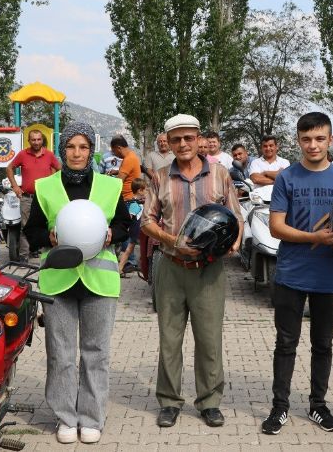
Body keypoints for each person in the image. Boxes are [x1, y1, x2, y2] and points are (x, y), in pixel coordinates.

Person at [23, 121, 132, 444]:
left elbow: (126, 223)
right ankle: (65, 417)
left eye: (83, 147)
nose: (77, 153)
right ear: (63, 149)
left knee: (96, 352)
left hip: (100, 281)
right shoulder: (45, 187)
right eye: (71, 146)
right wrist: (50, 236)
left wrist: (114, 233)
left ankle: (92, 417)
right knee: (61, 353)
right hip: (59, 281)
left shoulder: (110, 187)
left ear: (91, 151)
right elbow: (32, 232)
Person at [141, 114, 242, 429]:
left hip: (209, 271)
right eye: (176, 139)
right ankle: (169, 402)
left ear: (199, 139)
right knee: (169, 339)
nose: (183, 144)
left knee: (209, 339)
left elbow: (236, 216)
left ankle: (209, 402)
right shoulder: (159, 177)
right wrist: (175, 242)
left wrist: (234, 243)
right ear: (168, 143)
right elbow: (146, 221)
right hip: (171, 267)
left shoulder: (220, 174)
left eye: (188, 138)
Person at [261, 112, 333, 436]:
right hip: (290, 274)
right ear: (298, 141)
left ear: (330, 140)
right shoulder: (287, 178)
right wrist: (315, 237)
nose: (312, 145)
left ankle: (317, 405)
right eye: (306, 139)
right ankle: (279, 407)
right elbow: (276, 227)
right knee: (286, 344)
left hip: (328, 277)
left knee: (323, 345)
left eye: (319, 139)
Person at [7, 129, 62, 259]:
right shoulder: (22, 154)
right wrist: (15, 186)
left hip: (45, 199)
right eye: (33, 140)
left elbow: (60, 170)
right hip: (27, 198)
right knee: (25, 227)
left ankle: (50, 256)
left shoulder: (49, 155)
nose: (36, 142)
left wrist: (54, 187)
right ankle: (24, 257)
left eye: (39, 139)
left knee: (49, 226)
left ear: (42, 140)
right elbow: (9, 168)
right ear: (29, 140)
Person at [118, 177, 148, 275]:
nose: (147, 192)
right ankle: (120, 268)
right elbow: (130, 218)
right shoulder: (134, 204)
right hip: (136, 231)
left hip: (137, 231)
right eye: (146, 190)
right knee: (129, 250)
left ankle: (120, 268)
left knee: (129, 250)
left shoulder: (137, 202)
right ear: (140, 191)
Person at [109, 136, 142, 204]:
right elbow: (130, 172)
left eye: (114, 151)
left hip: (128, 198)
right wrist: (117, 172)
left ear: (119, 148)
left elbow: (118, 181)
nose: (115, 155)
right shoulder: (132, 155)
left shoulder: (128, 159)